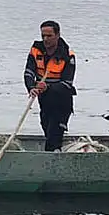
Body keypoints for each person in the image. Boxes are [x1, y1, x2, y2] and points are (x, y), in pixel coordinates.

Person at [23, 20, 77, 152]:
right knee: (46, 127)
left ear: (57, 35)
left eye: (49, 36)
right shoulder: (36, 51)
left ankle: (51, 157)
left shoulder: (68, 56)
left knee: (54, 135)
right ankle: (55, 153)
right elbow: (29, 72)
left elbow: (67, 83)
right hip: (45, 101)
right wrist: (31, 87)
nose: (45, 39)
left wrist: (48, 87)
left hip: (62, 102)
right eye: (43, 36)